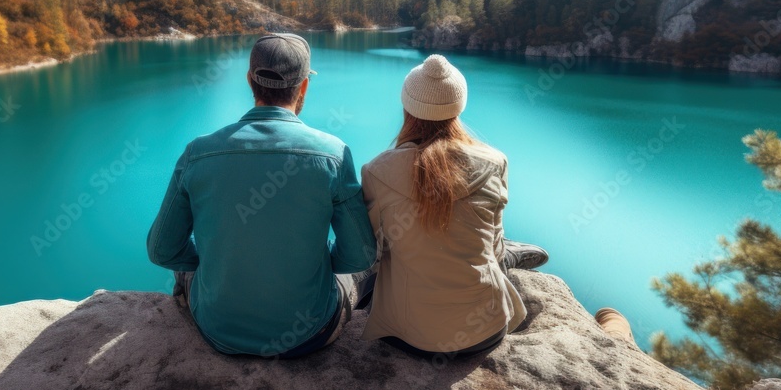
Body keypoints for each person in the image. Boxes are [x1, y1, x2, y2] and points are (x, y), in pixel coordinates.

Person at [147, 33, 377, 358]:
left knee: (182, 261)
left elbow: (161, 250)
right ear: (303, 87)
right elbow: (359, 257)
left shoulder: (197, 152)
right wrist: (313, 263)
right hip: (308, 334)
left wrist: (219, 258)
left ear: (249, 81)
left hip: (217, 330)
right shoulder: (334, 155)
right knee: (369, 266)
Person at [360, 54, 548, 358]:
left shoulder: (377, 172)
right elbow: (493, 248)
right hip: (486, 331)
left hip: (410, 335)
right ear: (458, 107)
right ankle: (512, 255)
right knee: (493, 248)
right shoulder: (495, 162)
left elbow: (375, 250)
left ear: (407, 106)